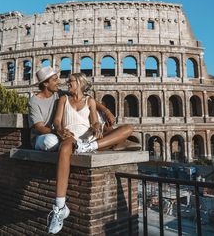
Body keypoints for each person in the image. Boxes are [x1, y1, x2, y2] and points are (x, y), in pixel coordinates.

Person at [47, 73, 134, 234]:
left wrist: (96, 127)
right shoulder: (63, 100)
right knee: (65, 148)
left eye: (71, 81)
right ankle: (60, 208)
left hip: (89, 140)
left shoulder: (90, 101)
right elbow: (57, 121)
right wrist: (60, 130)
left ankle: (90, 146)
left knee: (128, 129)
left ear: (80, 83)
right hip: (71, 138)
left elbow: (94, 120)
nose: (68, 83)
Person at [28, 66, 116, 152]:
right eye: (55, 80)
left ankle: (107, 141)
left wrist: (106, 111)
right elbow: (40, 128)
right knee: (51, 141)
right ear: (45, 84)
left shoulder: (59, 93)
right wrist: (58, 131)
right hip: (43, 136)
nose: (59, 81)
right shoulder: (34, 101)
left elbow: (85, 98)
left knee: (99, 119)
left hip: (61, 133)